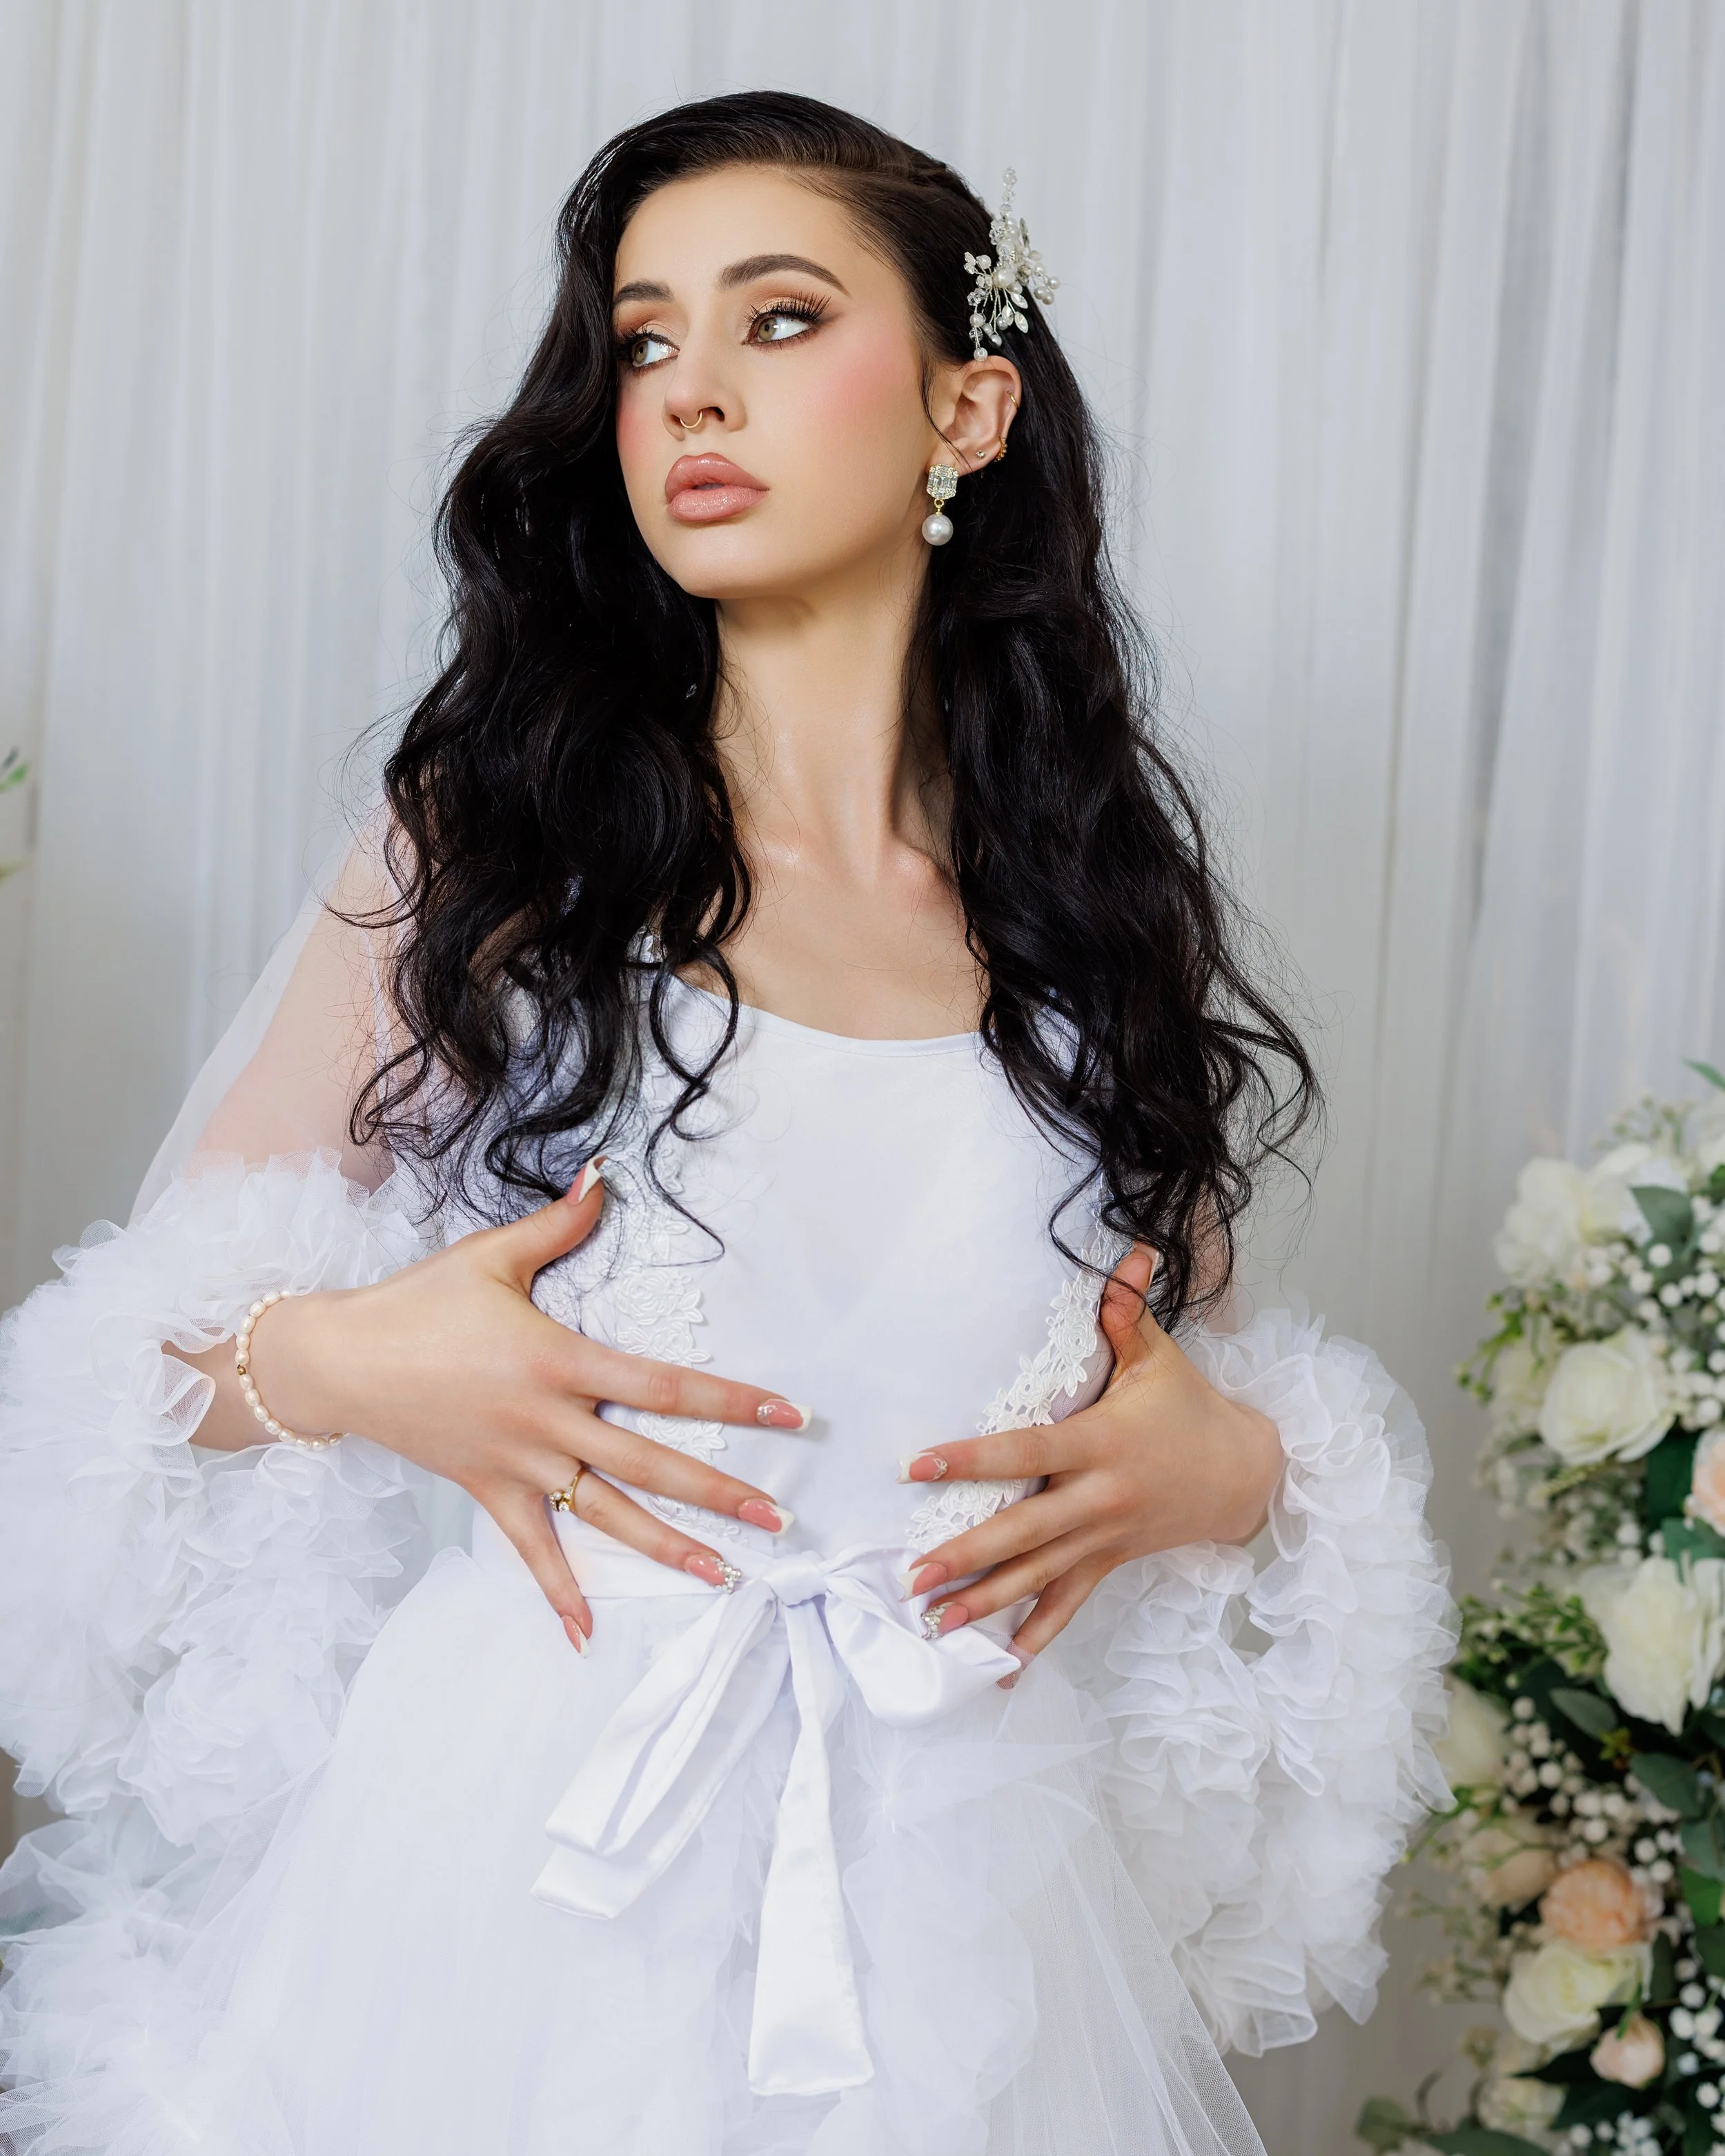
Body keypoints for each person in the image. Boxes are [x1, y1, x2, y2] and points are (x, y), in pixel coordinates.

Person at [0, 92, 1454, 2156]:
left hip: (965, 1910)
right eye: (645, 340)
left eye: (777, 322)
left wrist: (1226, 1468)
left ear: (964, 405)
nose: (690, 391)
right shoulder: (489, 852)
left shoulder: (1085, 926)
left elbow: (1194, 1381)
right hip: (503, 1860)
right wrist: (349, 1353)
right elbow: (103, 1380)